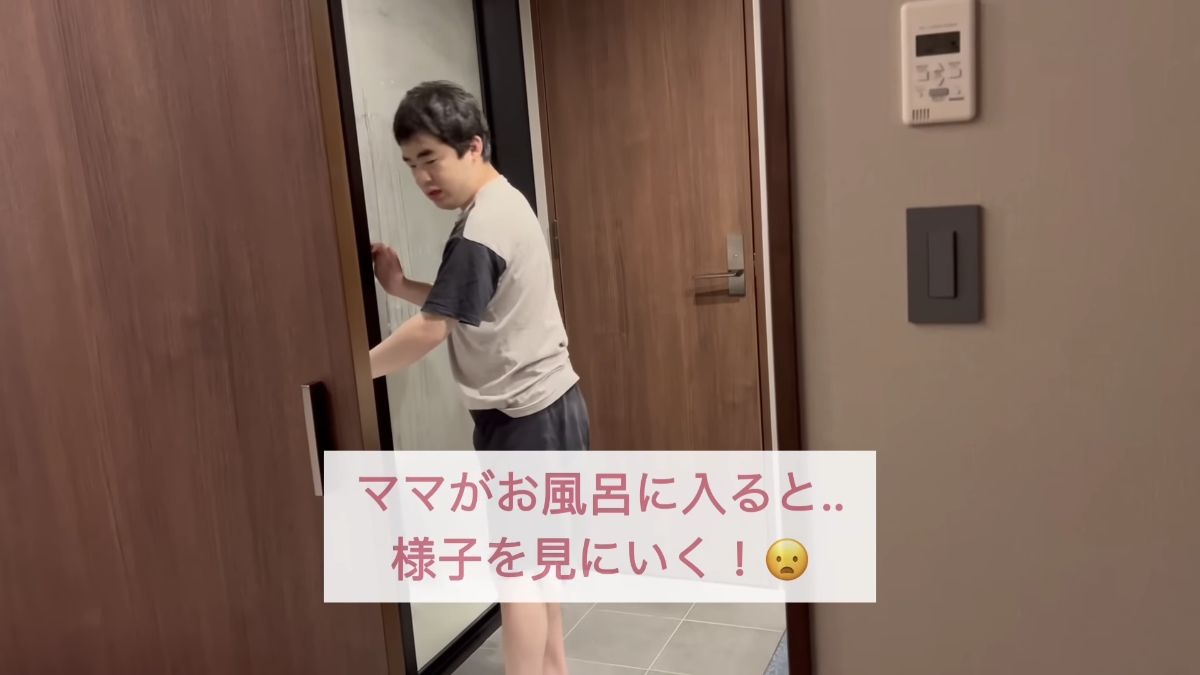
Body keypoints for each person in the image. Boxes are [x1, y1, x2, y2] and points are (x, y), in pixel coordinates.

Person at [368, 80, 588, 675]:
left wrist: (353, 373)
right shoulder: (501, 203)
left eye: (431, 159)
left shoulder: (480, 227)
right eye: (411, 165)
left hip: (526, 420)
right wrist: (400, 286)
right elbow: (468, 304)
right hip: (547, 408)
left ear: (473, 146)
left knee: (518, 575)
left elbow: (432, 330)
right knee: (537, 567)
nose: (423, 178)